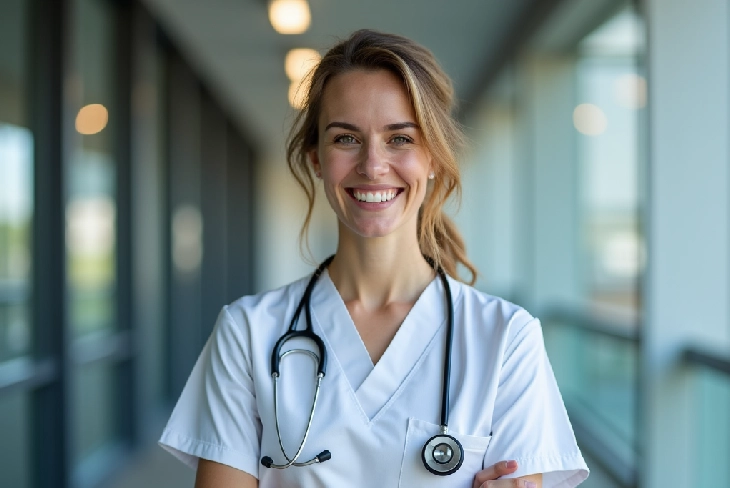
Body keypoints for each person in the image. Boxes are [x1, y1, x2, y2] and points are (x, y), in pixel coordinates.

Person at [159, 29, 589, 488]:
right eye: (346, 138)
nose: (372, 165)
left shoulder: (505, 339)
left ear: (433, 158)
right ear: (317, 159)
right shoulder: (247, 332)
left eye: (400, 139)